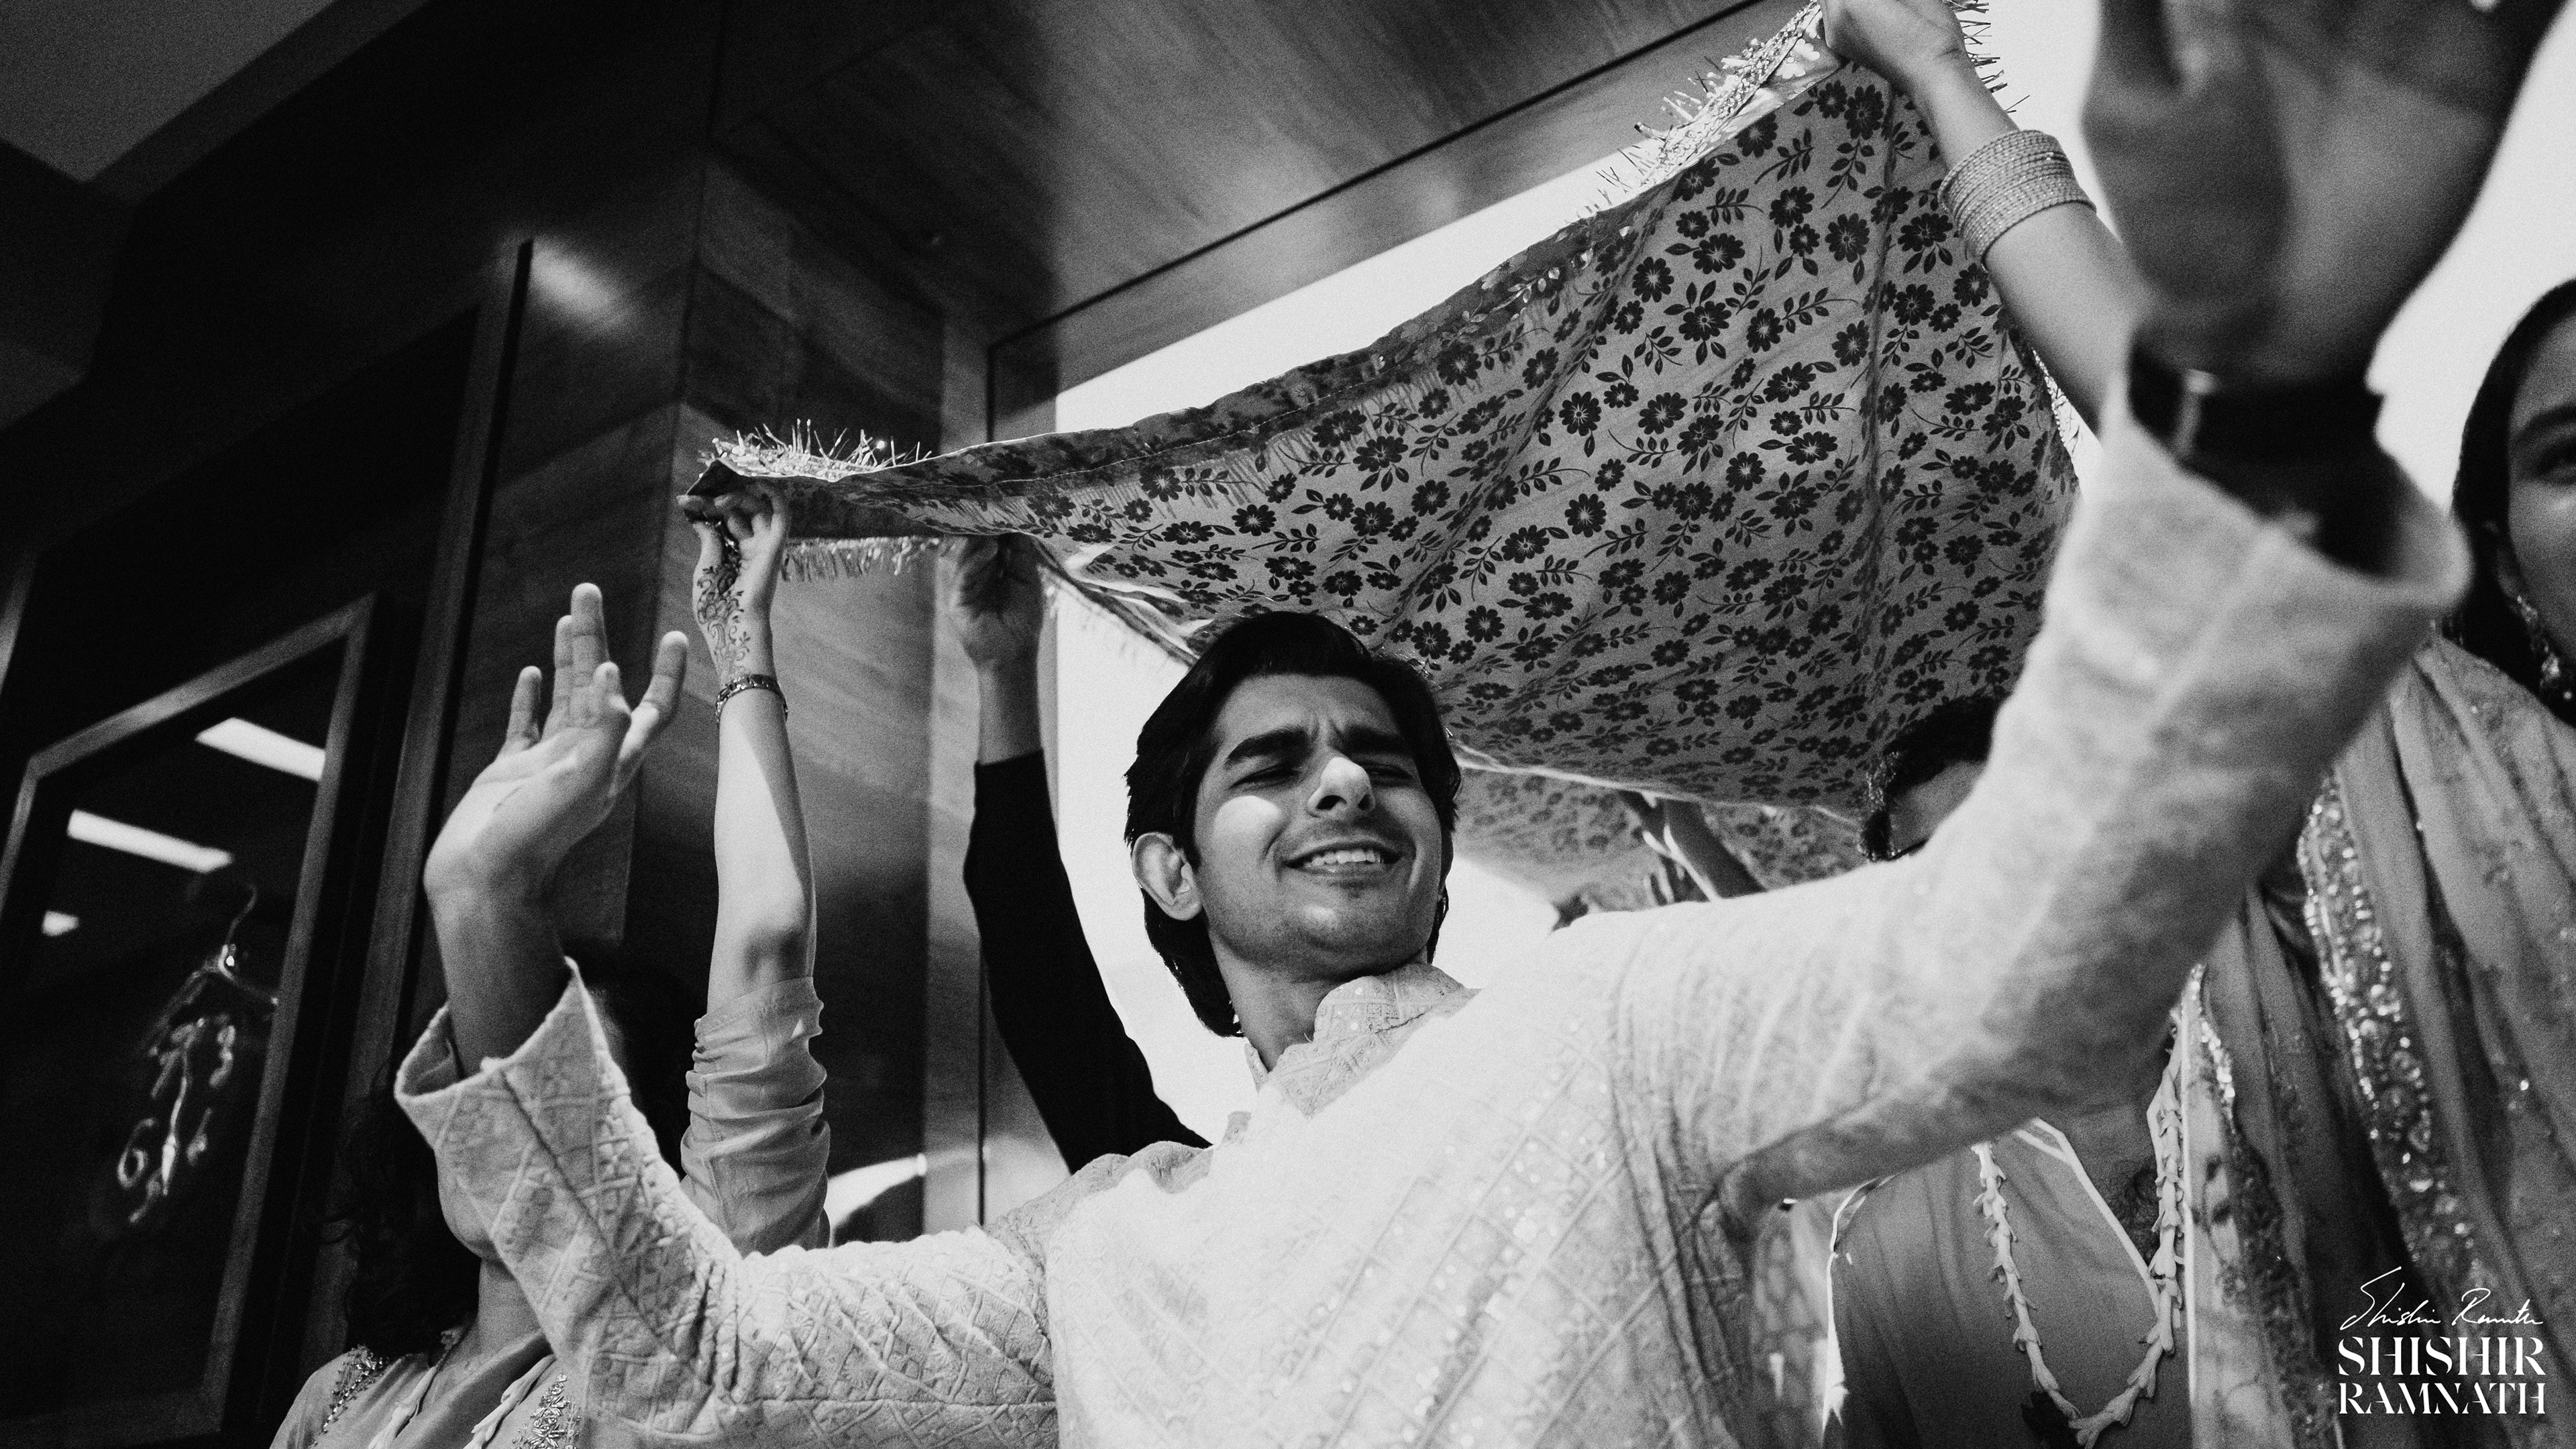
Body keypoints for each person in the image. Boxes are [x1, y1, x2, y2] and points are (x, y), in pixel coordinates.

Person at [390, 0, 2548, 1441]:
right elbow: (695, 1371)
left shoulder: (1608, 1025)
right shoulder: (1097, 1258)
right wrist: (488, 919)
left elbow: (2027, 944)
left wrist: (2237, 398)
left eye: (1387, 760)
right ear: (1168, 873)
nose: (1349, 777)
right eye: (1274, 763)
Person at [267, 494, 831, 1449]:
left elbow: (767, 945)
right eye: (477, 1078)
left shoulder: (677, 1351)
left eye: (552, 1089)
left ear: (641, 1152)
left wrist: (743, 649)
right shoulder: (338, 1398)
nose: (497, 1107)